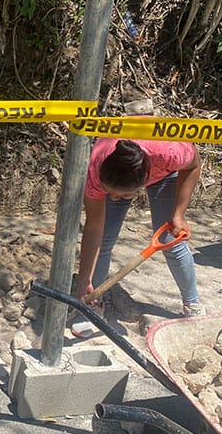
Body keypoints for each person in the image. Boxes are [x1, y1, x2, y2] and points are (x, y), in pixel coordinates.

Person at [71, 138, 204, 338]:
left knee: (170, 241)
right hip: (119, 171)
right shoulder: (96, 173)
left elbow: (194, 164)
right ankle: (92, 306)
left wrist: (179, 214)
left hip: (162, 171)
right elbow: (93, 229)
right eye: (110, 193)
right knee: (104, 240)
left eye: (124, 196)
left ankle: (192, 303)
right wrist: (84, 280)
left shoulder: (170, 152)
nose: (114, 198)